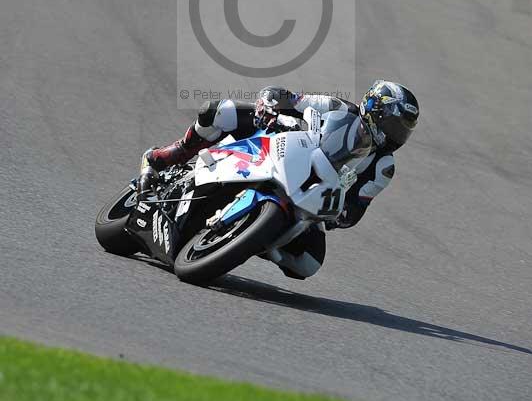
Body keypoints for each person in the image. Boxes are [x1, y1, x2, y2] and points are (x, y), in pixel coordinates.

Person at [137, 82, 419, 277]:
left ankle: (251, 240)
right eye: (395, 125)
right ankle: (167, 156)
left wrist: (337, 214)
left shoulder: (383, 166)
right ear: (375, 109)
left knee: (308, 264)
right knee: (219, 111)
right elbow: (289, 98)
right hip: (282, 147)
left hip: (313, 194)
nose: (397, 135)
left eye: (404, 130)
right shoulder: (337, 107)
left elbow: (356, 209)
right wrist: (268, 105)